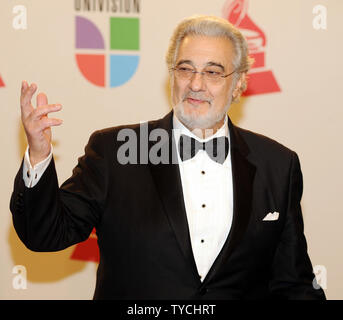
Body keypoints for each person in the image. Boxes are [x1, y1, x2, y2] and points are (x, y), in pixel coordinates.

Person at [10, 15, 325, 300]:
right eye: (185, 69)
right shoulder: (116, 150)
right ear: (172, 75)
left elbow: (293, 283)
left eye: (213, 72)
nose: (196, 84)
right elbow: (46, 234)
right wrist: (39, 152)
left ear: (239, 83)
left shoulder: (277, 164)